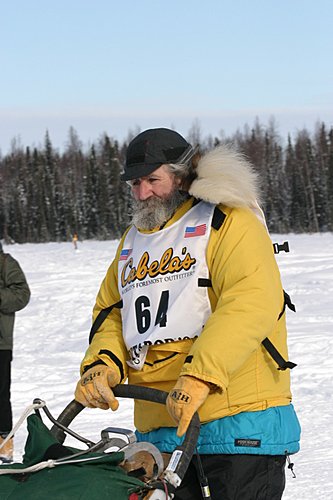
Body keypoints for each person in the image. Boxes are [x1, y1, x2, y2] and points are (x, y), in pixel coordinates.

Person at [75, 128, 301, 499]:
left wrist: (200, 376)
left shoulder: (228, 222)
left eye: (152, 180)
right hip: (161, 430)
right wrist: (103, 362)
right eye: (134, 182)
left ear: (180, 175)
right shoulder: (134, 240)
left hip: (237, 423)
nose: (142, 192)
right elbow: (113, 311)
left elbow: (250, 301)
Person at [0, 242, 30, 463]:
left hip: (0, 342)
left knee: (0, 394)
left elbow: (21, 294)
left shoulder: (5, 263)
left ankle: (3, 445)